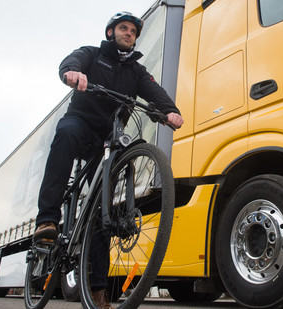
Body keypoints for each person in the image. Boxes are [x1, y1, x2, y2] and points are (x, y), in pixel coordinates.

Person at [33, 11, 184, 308]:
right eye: (123, 28)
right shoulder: (92, 54)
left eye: (133, 31)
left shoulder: (137, 72)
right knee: (65, 136)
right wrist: (72, 73)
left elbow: (154, 91)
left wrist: (169, 110)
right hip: (81, 121)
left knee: (103, 213)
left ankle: (99, 291)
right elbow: (71, 61)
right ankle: (47, 220)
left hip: (107, 136)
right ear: (111, 32)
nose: (129, 33)